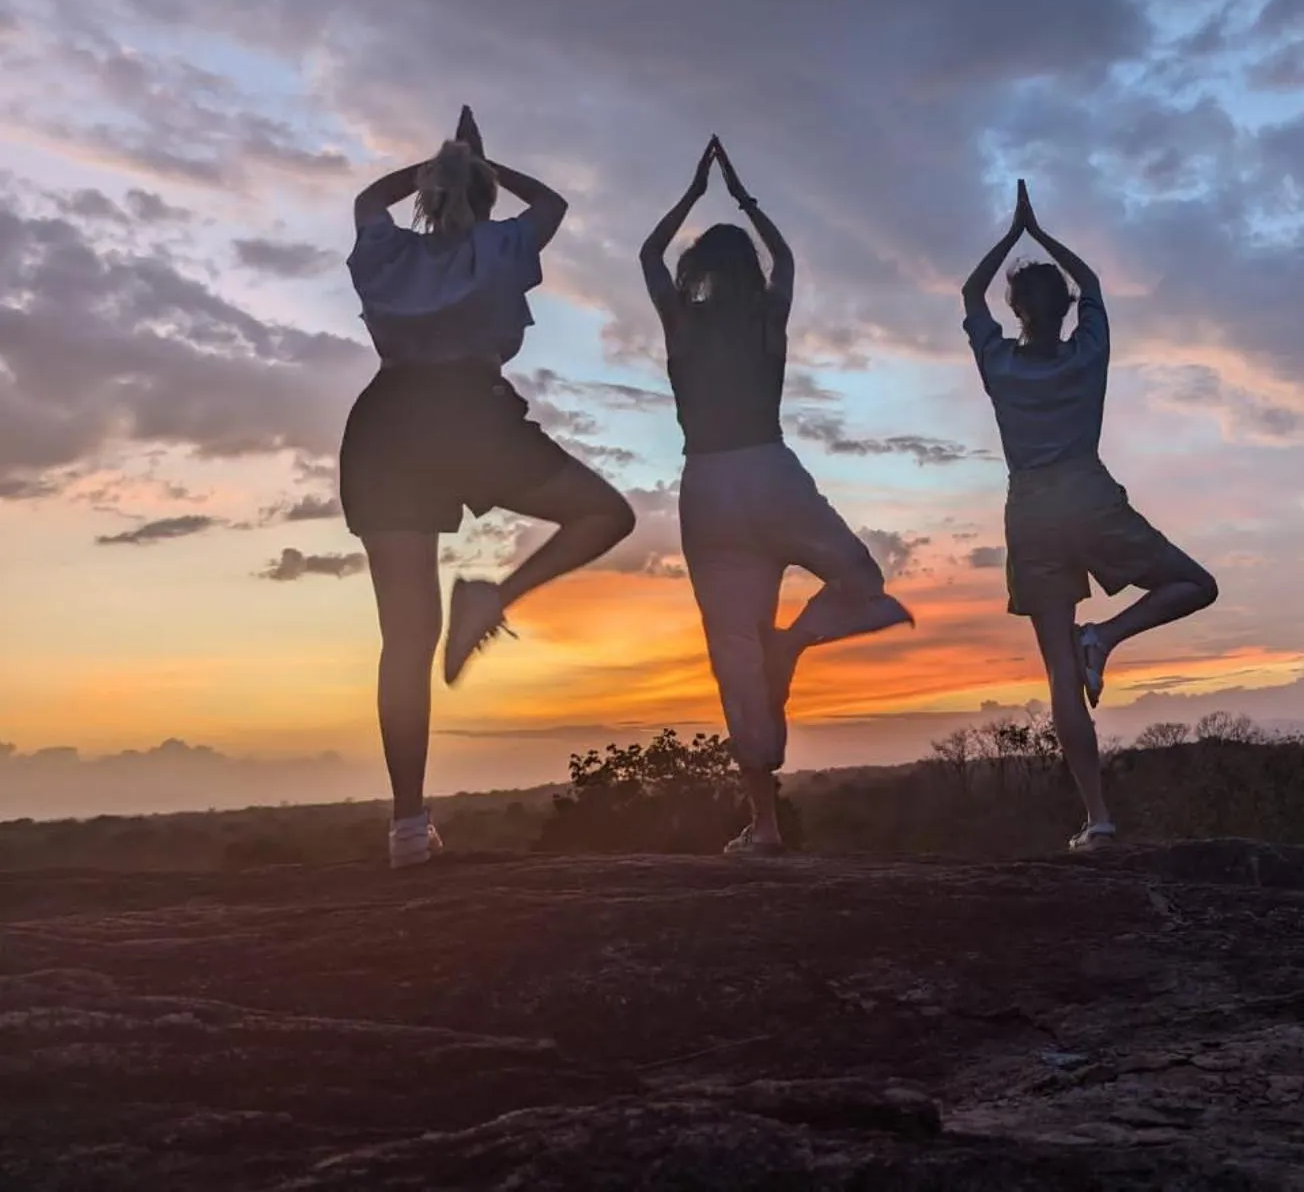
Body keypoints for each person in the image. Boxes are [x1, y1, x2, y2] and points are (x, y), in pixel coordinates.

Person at [342, 107, 635, 869]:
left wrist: (439, 163)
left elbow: (367, 200)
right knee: (605, 514)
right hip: (468, 413)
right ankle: (494, 597)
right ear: (482, 196)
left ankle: (408, 827)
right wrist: (481, 161)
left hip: (385, 425)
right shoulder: (501, 243)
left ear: (430, 195)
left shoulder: (390, 251)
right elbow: (554, 205)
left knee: (405, 639)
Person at [642, 136, 913, 855]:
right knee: (859, 578)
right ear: (749, 270)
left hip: (708, 486)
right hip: (769, 470)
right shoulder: (766, 319)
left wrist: (693, 193)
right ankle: (792, 644)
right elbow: (787, 260)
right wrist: (745, 199)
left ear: (699, 272)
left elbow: (647, 256)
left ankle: (764, 823)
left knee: (736, 657)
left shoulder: (683, 323)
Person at [961, 181, 1218, 851]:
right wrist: (1041, 233)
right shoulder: (1088, 352)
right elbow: (1095, 283)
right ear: (1068, 307)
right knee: (1196, 584)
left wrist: (1012, 234)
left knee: (1059, 678)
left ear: (1016, 309)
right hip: (1088, 492)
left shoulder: (999, 363)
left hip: (1031, 509)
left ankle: (1098, 819)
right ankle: (1104, 635)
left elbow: (969, 294)